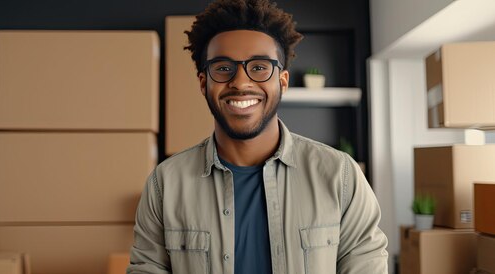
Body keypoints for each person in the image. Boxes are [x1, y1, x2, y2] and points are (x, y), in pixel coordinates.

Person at [127, 0, 388, 273]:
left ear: (282, 81)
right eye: (223, 68)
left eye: (260, 67)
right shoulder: (165, 185)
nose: (240, 82)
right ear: (204, 83)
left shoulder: (340, 176)